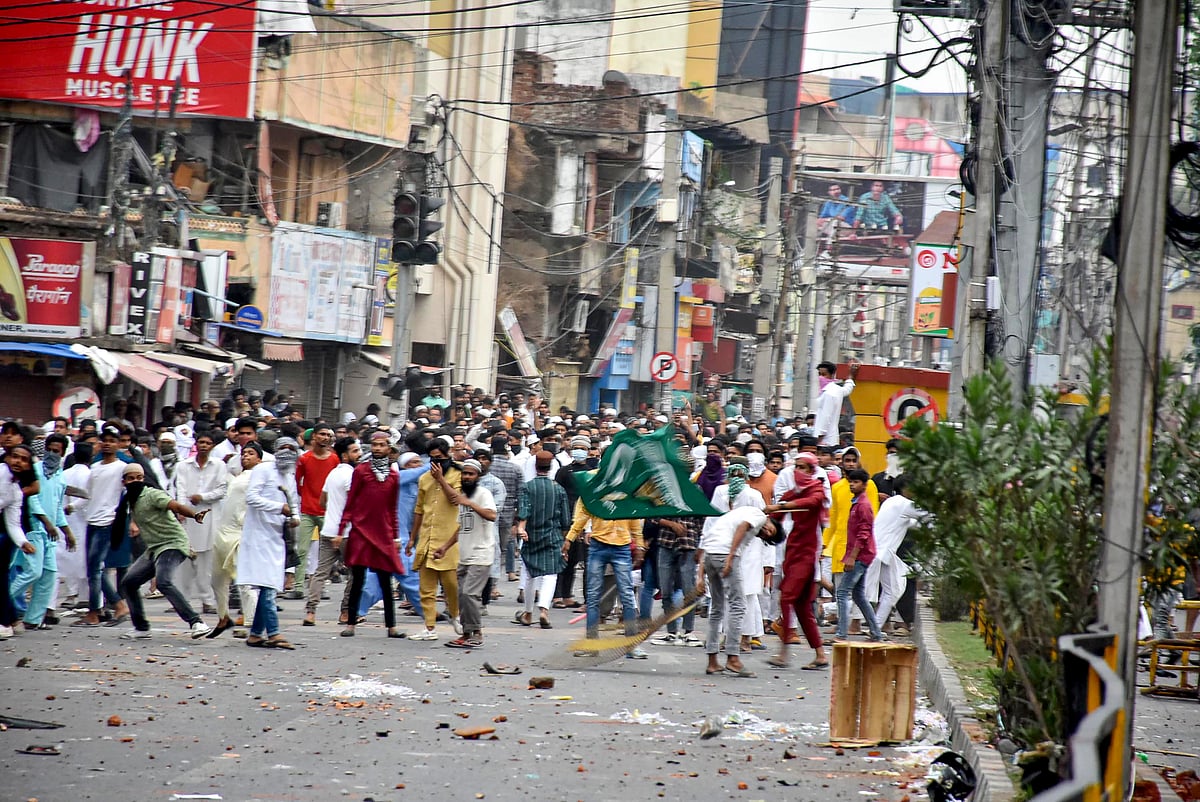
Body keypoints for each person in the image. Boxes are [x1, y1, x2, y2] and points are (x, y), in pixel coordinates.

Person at [116, 463, 214, 639]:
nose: (136, 481)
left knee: (163, 582)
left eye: (139, 478)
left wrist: (194, 515)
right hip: (155, 548)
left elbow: (175, 506)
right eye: (131, 478)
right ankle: (141, 628)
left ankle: (197, 622)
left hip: (172, 544)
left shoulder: (152, 494)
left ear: (144, 479)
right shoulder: (130, 499)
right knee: (129, 583)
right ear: (124, 482)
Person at [564, 486, 647, 659]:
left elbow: (634, 519)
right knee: (594, 597)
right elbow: (583, 515)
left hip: (620, 547)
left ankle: (631, 645)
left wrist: (639, 545)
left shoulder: (626, 492)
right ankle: (592, 644)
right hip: (599, 545)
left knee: (627, 597)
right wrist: (569, 538)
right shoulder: (596, 490)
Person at [696, 506, 776, 677]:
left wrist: (700, 576)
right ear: (770, 520)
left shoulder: (732, 515)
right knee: (738, 605)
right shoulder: (759, 516)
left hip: (710, 556)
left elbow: (709, 541)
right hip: (725, 555)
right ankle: (733, 658)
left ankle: (712, 661)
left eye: (766, 537)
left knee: (717, 608)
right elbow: (743, 525)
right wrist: (731, 556)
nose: (767, 532)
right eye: (771, 530)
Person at [340, 431, 405, 639]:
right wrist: (341, 529)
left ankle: (391, 627)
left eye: (382, 445)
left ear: (389, 448)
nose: (377, 448)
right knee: (357, 580)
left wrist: (395, 537)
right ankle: (351, 623)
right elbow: (350, 502)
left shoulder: (393, 476)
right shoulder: (361, 471)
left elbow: (392, 509)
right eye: (375, 445)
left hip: (383, 534)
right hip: (360, 532)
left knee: (386, 582)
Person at [765, 452, 827, 669]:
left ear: (811, 470)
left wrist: (781, 507)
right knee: (801, 608)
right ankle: (820, 654)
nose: (798, 471)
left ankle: (783, 653)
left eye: (803, 467)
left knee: (787, 597)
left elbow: (811, 502)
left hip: (806, 554)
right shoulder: (796, 492)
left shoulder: (816, 489)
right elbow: (777, 514)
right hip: (792, 552)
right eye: (796, 467)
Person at [238, 437, 300, 649]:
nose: (286, 452)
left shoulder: (289, 476)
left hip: (277, 536)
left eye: (291, 449)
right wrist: (279, 508)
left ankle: (256, 634)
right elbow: (251, 498)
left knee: (271, 583)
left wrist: (295, 517)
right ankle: (273, 632)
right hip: (258, 535)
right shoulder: (263, 470)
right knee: (268, 586)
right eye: (282, 448)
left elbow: (293, 503)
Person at [12, 435, 76, 630]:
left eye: (56, 451)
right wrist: (46, 522)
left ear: (63, 453)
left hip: (49, 534)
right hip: (34, 528)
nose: (51, 454)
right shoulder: (35, 470)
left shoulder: (60, 477)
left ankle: (33, 619)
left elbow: (57, 507)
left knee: (49, 575)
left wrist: (67, 531)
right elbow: (32, 500)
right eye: (49, 449)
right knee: (33, 572)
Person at [407, 438, 463, 640]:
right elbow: (419, 510)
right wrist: (412, 538)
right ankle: (429, 628)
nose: (436, 463)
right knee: (426, 588)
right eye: (432, 459)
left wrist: (441, 479)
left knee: (451, 585)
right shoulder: (424, 478)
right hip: (427, 538)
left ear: (448, 455)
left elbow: (455, 499)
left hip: (449, 540)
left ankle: (455, 615)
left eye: (439, 458)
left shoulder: (459, 474)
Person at [438, 459, 497, 648]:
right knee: (461, 595)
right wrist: (445, 547)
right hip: (464, 555)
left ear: (478, 476)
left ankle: (477, 633)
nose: (467, 477)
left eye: (471, 474)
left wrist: (470, 504)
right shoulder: (463, 496)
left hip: (481, 554)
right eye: (464, 473)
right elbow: (462, 527)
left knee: (469, 593)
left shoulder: (483, 494)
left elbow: (492, 515)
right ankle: (466, 633)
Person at [74, 425, 130, 628]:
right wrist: (71, 507)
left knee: (95, 568)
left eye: (112, 441)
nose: (107, 443)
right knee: (93, 569)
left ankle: (99, 611)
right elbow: (88, 494)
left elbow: (131, 494)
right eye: (104, 440)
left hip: (108, 521)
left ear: (118, 445)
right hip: (92, 520)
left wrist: (129, 519)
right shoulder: (95, 467)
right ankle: (112, 606)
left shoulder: (123, 468)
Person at [207, 443, 263, 639]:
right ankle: (223, 617)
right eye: (244, 453)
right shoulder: (237, 477)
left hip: (241, 533)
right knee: (217, 580)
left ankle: (251, 624)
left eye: (251, 453)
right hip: (223, 532)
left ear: (259, 459)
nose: (245, 456)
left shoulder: (259, 478)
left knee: (244, 582)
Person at [170, 431, 229, 615]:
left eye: (207, 443)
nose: (204, 446)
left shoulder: (219, 465)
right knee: (184, 560)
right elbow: (179, 488)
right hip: (187, 516)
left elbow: (222, 490)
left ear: (212, 446)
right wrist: (181, 509)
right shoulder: (183, 465)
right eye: (201, 442)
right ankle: (182, 601)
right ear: (196, 444)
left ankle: (207, 601)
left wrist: (202, 497)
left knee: (206, 562)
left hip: (209, 517)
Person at [304, 436, 360, 626]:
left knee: (321, 571)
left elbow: (322, 501)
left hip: (328, 529)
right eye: (354, 451)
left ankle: (310, 612)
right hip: (346, 532)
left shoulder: (333, 473)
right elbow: (353, 504)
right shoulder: (351, 475)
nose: (359, 454)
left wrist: (333, 511)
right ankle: (345, 611)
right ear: (345, 455)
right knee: (355, 574)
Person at [514, 451, 570, 630]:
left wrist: (521, 528)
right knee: (551, 575)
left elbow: (524, 510)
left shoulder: (527, 487)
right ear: (551, 467)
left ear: (535, 466)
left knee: (530, 574)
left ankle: (528, 613)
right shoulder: (558, 489)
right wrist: (565, 541)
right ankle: (544, 610)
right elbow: (565, 519)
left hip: (531, 537)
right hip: (553, 536)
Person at [833, 468, 885, 642]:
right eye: (850, 482)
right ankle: (876, 633)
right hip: (861, 554)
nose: (852, 485)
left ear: (864, 485)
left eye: (856, 482)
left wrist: (852, 557)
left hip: (860, 555)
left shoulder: (863, 505)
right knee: (858, 595)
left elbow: (864, 534)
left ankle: (841, 634)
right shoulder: (857, 502)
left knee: (842, 593)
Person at [867, 473, 920, 633]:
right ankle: (828, 609)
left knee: (891, 591)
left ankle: (875, 629)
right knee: (863, 595)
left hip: (882, 553)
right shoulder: (905, 504)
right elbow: (928, 518)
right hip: (881, 553)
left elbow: (911, 523)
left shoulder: (891, 502)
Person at [291, 423, 336, 599]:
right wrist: (307, 496)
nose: (325, 438)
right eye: (322, 434)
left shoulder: (334, 459)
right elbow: (297, 482)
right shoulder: (304, 459)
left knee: (326, 552)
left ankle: (319, 587)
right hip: (307, 511)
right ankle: (298, 587)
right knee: (302, 549)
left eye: (328, 435)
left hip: (327, 511)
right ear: (314, 436)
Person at [814, 361, 858, 448]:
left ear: (832, 375)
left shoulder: (829, 393)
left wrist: (819, 438)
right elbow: (847, 389)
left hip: (824, 439)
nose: (820, 377)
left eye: (824, 374)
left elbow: (826, 416)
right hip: (830, 437)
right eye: (819, 374)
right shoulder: (836, 390)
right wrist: (851, 376)